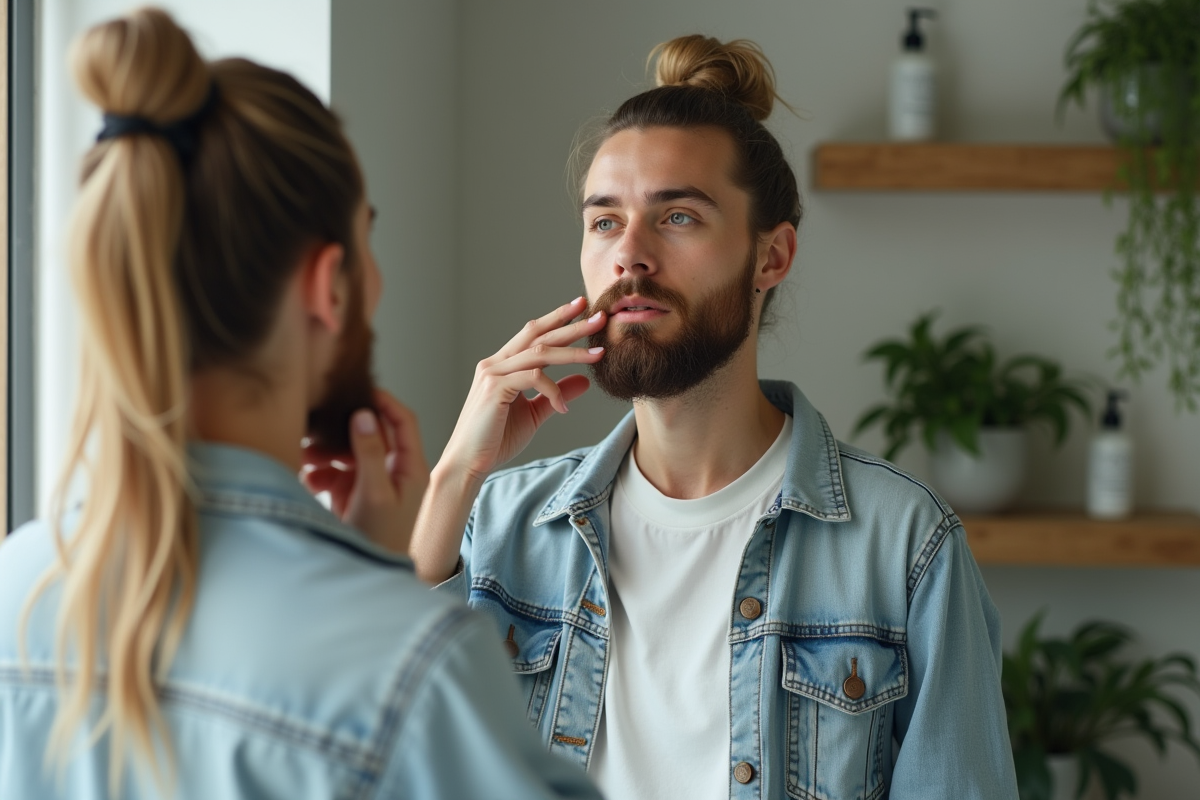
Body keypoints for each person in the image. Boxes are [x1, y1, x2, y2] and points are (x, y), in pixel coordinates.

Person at [0, 8, 601, 800]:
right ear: (329, 285)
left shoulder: (19, 586)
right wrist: (376, 595)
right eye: (367, 241)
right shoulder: (412, 668)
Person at [407, 35, 1021, 799]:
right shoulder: (497, 524)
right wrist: (452, 480)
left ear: (771, 257)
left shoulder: (904, 547)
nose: (630, 254)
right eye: (604, 222)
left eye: (679, 218)